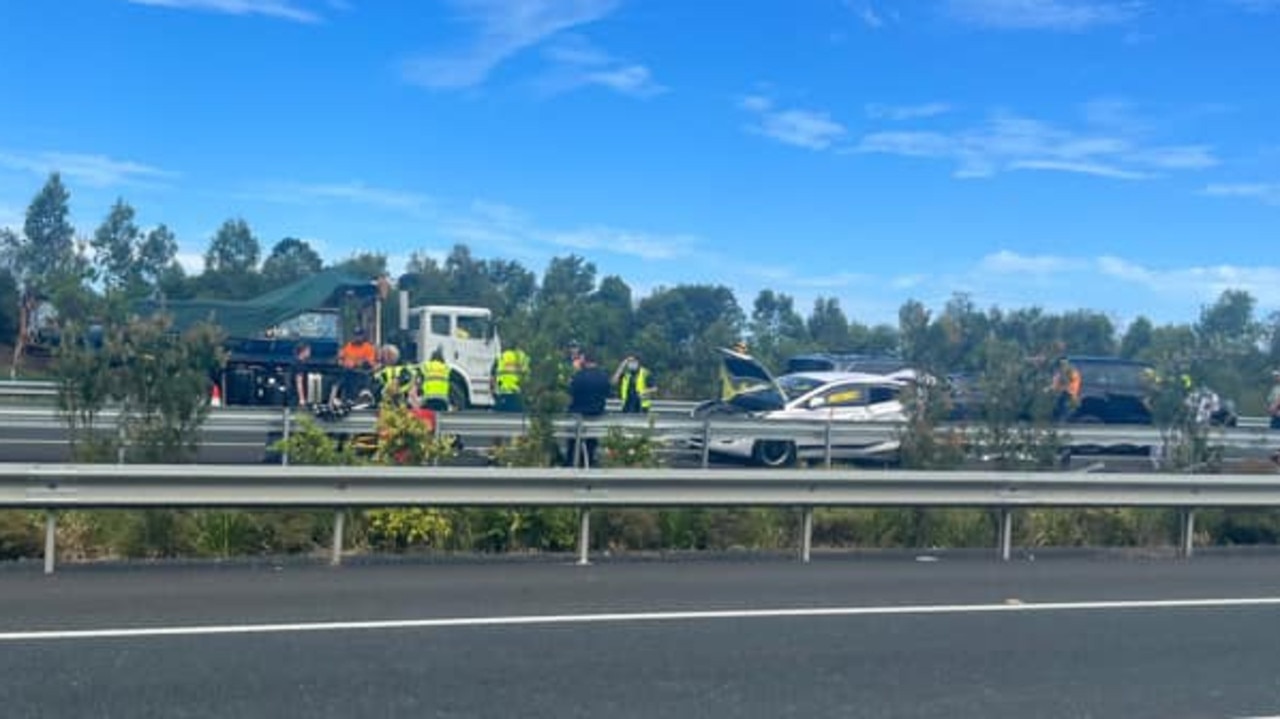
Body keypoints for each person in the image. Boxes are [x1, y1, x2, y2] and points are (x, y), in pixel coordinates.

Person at [565, 351, 611, 467]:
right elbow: (607, 393)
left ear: (584, 360)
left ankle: (571, 464)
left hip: (577, 415)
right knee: (591, 443)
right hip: (596, 415)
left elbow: (570, 393)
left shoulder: (578, 376)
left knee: (573, 444)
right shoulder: (603, 377)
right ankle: (589, 462)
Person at [331, 327, 377, 407]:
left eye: (359, 335)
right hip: (348, 372)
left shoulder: (368, 347)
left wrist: (355, 363)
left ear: (363, 336)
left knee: (362, 377)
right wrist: (341, 362)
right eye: (356, 335)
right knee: (339, 376)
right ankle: (337, 398)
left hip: (362, 372)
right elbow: (340, 357)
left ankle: (362, 399)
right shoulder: (349, 346)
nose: (357, 337)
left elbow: (369, 363)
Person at [492, 346, 531, 413]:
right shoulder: (524, 357)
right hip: (519, 394)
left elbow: (493, 375)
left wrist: (494, 394)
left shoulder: (502, 356)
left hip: (503, 394)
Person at [420, 348, 451, 412]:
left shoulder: (427, 366)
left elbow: (421, 367)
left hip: (429, 399)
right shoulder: (446, 367)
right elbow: (449, 366)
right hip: (442, 399)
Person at [291, 342, 312, 407]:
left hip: (296, 396)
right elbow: (299, 381)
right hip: (297, 398)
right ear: (303, 351)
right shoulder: (299, 365)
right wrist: (301, 398)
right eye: (308, 350)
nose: (309, 353)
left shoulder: (298, 363)